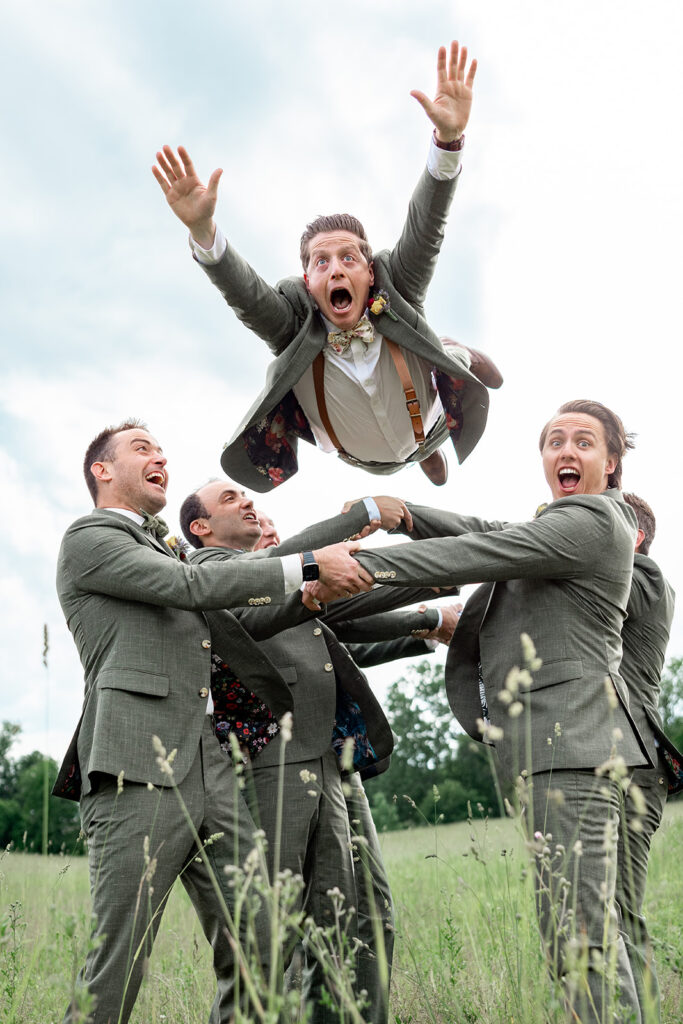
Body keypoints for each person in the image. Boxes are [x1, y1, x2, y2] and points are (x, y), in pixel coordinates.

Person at [314, 399, 652, 1023]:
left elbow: (480, 554)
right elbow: (489, 531)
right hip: (553, 754)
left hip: (572, 749)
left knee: (581, 943)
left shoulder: (595, 521)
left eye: (583, 441)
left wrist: (354, 566)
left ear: (611, 465)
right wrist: (408, 514)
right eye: (554, 441)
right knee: (581, 936)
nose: (566, 451)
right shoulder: (557, 527)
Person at [52, 419, 373, 1024]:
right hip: (134, 765)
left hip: (211, 765)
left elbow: (228, 619)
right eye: (141, 449)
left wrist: (308, 595)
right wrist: (305, 565)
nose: (160, 458)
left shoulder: (162, 548)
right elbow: (192, 582)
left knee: (264, 939)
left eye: (162, 451)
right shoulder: (92, 538)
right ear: (101, 470)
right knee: (119, 961)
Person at [152, 41, 501, 489]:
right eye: (322, 262)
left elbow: (426, 228)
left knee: (440, 367)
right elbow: (246, 297)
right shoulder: (292, 324)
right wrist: (204, 232)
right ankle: (418, 458)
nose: (335, 269)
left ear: (370, 272)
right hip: (364, 458)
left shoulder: (396, 287)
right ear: (308, 280)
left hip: (427, 421)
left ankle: (453, 358)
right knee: (401, 458)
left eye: (348, 258)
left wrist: (447, 143)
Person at [179, 479, 460, 1022]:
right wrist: (362, 516)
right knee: (270, 938)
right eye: (231, 499)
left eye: (248, 495)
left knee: (344, 923)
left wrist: (426, 621)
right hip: (269, 764)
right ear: (201, 527)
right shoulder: (209, 575)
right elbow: (300, 579)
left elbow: (348, 624)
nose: (250, 503)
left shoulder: (269, 577)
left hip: (328, 760)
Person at [616, 493, 680, 1022]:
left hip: (632, 763)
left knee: (621, 911)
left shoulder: (645, 576)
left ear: (633, 537)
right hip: (611, 758)